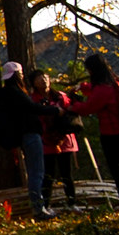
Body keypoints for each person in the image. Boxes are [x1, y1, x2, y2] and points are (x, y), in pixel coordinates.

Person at [0, 61, 63, 219]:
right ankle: (38, 208)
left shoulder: (4, 95)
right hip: (30, 134)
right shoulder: (15, 93)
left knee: (35, 172)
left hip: (22, 136)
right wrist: (55, 110)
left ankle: (39, 207)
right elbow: (33, 108)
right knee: (37, 173)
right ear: (17, 75)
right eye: (21, 74)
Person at [64, 52, 119, 207]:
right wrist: (82, 87)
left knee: (117, 168)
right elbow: (95, 92)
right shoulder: (116, 83)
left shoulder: (102, 90)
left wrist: (71, 106)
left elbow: (89, 107)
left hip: (112, 133)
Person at [30, 68, 80, 210]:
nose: (43, 80)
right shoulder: (33, 100)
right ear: (33, 83)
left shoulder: (60, 96)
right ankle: (45, 205)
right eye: (39, 78)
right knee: (48, 174)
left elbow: (71, 110)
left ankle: (72, 203)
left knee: (67, 174)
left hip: (64, 140)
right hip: (46, 141)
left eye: (45, 77)